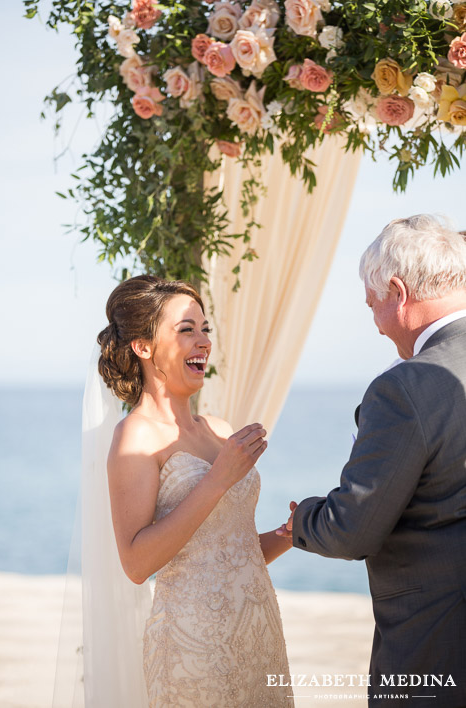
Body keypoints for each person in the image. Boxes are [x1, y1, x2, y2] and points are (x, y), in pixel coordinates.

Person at [278, 215, 466, 707]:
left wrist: (303, 519)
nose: (377, 327)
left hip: (436, 647)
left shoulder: (405, 387)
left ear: (399, 292)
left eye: (373, 306)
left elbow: (352, 530)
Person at [96, 274, 294, 707]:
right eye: (187, 330)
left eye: (206, 330)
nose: (203, 341)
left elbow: (229, 551)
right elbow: (136, 562)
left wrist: (287, 535)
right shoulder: (135, 437)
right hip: (193, 647)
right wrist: (218, 478)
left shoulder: (220, 431)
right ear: (143, 347)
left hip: (259, 636)